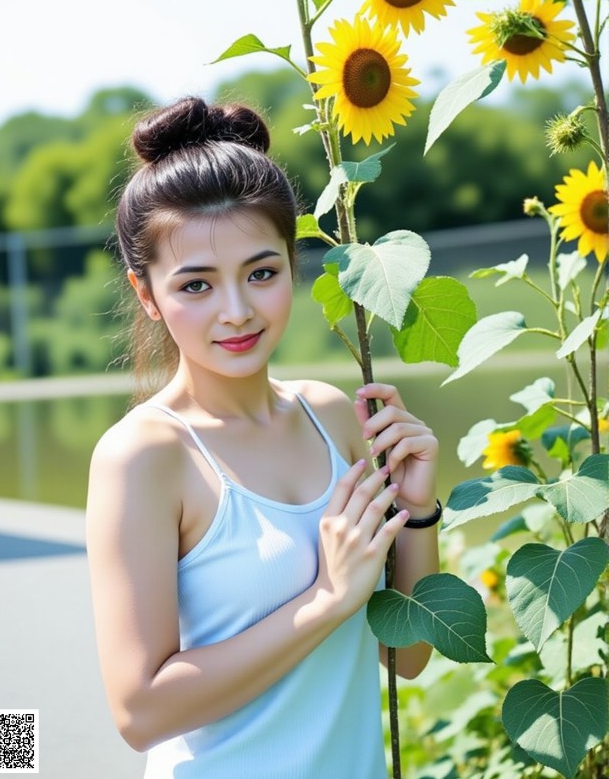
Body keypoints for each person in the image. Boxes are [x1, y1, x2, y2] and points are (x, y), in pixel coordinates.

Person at [86, 96, 440, 779]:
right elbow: (140, 712)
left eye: (262, 272)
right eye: (196, 285)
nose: (238, 311)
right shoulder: (146, 456)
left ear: (291, 263)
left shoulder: (330, 414)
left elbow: (407, 657)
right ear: (148, 294)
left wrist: (418, 510)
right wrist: (326, 601)